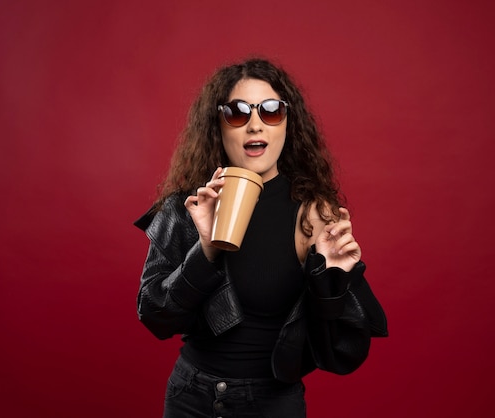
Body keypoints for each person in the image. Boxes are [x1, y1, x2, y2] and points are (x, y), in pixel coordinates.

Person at [134, 57, 388, 418]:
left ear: (288, 123)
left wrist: (332, 279)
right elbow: (156, 318)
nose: (255, 124)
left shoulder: (313, 215)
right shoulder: (187, 207)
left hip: (271, 404)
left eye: (271, 110)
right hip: (190, 398)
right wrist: (205, 248)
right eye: (237, 112)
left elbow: (340, 353)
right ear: (218, 126)